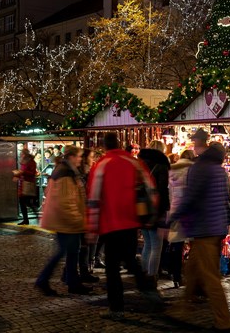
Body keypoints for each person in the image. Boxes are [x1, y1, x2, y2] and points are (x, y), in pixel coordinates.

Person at [86, 132, 159, 320]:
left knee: (112, 269)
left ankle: (116, 308)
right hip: (131, 221)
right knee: (130, 261)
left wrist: (92, 227)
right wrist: (150, 215)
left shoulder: (101, 165)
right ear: (119, 143)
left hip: (110, 224)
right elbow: (151, 189)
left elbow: (93, 198)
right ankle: (149, 290)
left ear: (104, 146)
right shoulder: (133, 162)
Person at [169, 142, 230, 333]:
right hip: (216, 228)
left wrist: (173, 217)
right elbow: (226, 198)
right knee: (193, 270)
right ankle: (182, 308)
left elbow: (190, 198)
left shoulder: (201, 170)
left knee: (210, 277)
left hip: (205, 228)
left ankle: (224, 322)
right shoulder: (220, 172)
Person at [35, 146, 92, 296]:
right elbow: (67, 202)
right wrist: (78, 220)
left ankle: (73, 283)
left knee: (72, 252)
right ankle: (43, 280)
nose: (81, 159)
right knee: (63, 252)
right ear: (72, 157)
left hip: (64, 220)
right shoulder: (66, 174)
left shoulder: (66, 170)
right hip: (66, 222)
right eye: (79, 156)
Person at [137, 140, 171, 294]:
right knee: (156, 246)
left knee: (148, 245)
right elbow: (163, 191)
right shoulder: (161, 166)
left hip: (142, 209)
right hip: (156, 210)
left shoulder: (141, 165)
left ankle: (144, 275)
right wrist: (166, 210)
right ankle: (152, 278)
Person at [167, 149, 195, 288]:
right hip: (190, 213)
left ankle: (176, 275)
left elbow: (169, 193)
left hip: (175, 212)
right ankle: (191, 276)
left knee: (176, 246)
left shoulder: (171, 172)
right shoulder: (192, 172)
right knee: (194, 246)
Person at [78, 148, 99, 283]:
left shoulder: (86, 172)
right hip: (83, 211)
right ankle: (82, 271)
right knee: (83, 244)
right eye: (91, 157)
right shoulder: (83, 174)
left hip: (85, 210)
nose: (93, 159)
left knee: (84, 244)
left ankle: (81, 270)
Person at [15, 149, 37, 226]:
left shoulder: (31, 162)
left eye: (22, 154)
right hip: (23, 184)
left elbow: (33, 173)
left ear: (25, 154)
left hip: (28, 184)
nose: (21, 155)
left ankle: (35, 215)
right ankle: (25, 219)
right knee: (22, 202)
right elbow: (22, 171)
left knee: (26, 202)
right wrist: (17, 175)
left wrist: (22, 172)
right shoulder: (23, 162)